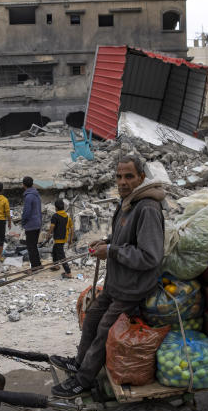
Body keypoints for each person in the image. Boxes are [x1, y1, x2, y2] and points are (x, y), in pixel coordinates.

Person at [50, 155, 165, 397]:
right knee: (91, 316)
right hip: (117, 283)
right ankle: (80, 362)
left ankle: (84, 379)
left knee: (105, 328)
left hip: (134, 287)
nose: (122, 182)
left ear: (142, 178)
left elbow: (150, 256)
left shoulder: (148, 209)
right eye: (119, 177)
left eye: (129, 177)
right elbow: (125, 240)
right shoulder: (128, 204)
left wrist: (111, 251)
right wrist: (106, 242)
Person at [42, 198, 73, 278]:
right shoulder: (67, 216)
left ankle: (68, 272)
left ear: (56, 207)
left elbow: (52, 227)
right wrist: (70, 239)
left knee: (62, 256)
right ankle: (56, 265)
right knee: (55, 251)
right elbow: (71, 228)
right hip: (64, 238)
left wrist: (48, 235)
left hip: (58, 238)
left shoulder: (55, 216)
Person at [20, 176, 43, 270]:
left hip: (31, 225)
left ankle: (34, 266)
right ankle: (38, 264)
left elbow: (27, 212)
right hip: (37, 223)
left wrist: (23, 222)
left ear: (24, 185)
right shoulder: (36, 194)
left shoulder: (28, 196)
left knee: (30, 246)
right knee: (34, 245)